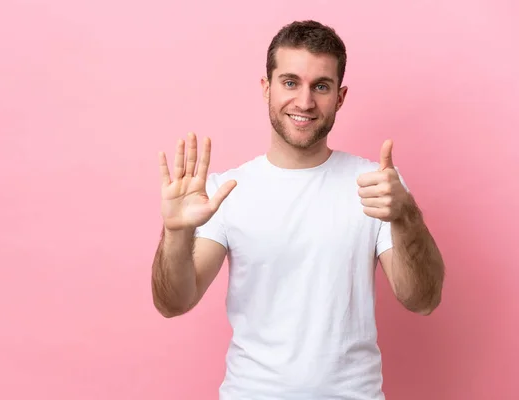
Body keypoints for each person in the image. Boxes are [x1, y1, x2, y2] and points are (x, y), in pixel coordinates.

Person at [151, 20, 445, 400]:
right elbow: (172, 302)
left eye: (320, 86)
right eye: (290, 82)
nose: (304, 102)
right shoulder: (225, 192)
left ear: (339, 97)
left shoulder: (377, 185)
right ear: (266, 88)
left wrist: (407, 216)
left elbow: (423, 300)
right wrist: (175, 232)